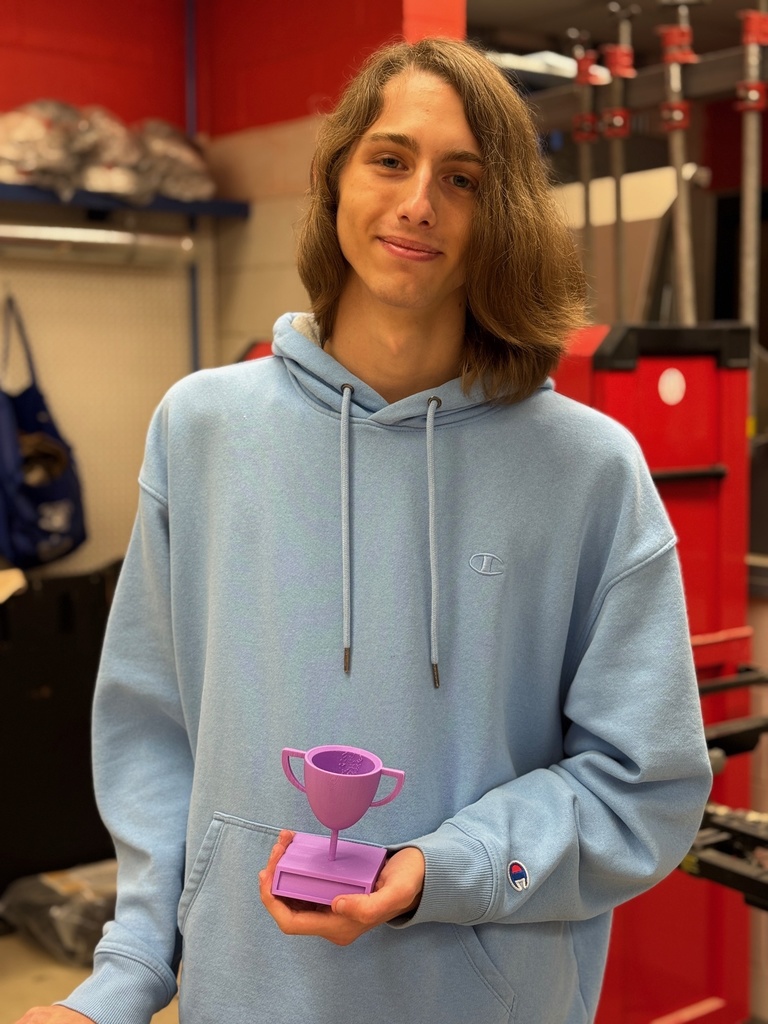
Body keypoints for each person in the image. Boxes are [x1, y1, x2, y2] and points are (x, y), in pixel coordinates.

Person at [16, 36, 712, 1024]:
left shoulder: (590, 469)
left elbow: (644, 785)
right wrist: (122, 977)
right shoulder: (201, 429)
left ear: (501, 213)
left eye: (463, 177)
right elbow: (153, 733)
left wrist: (445, 866)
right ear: (335, 174)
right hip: (242, 997)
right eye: (391, 158)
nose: (419, 200)